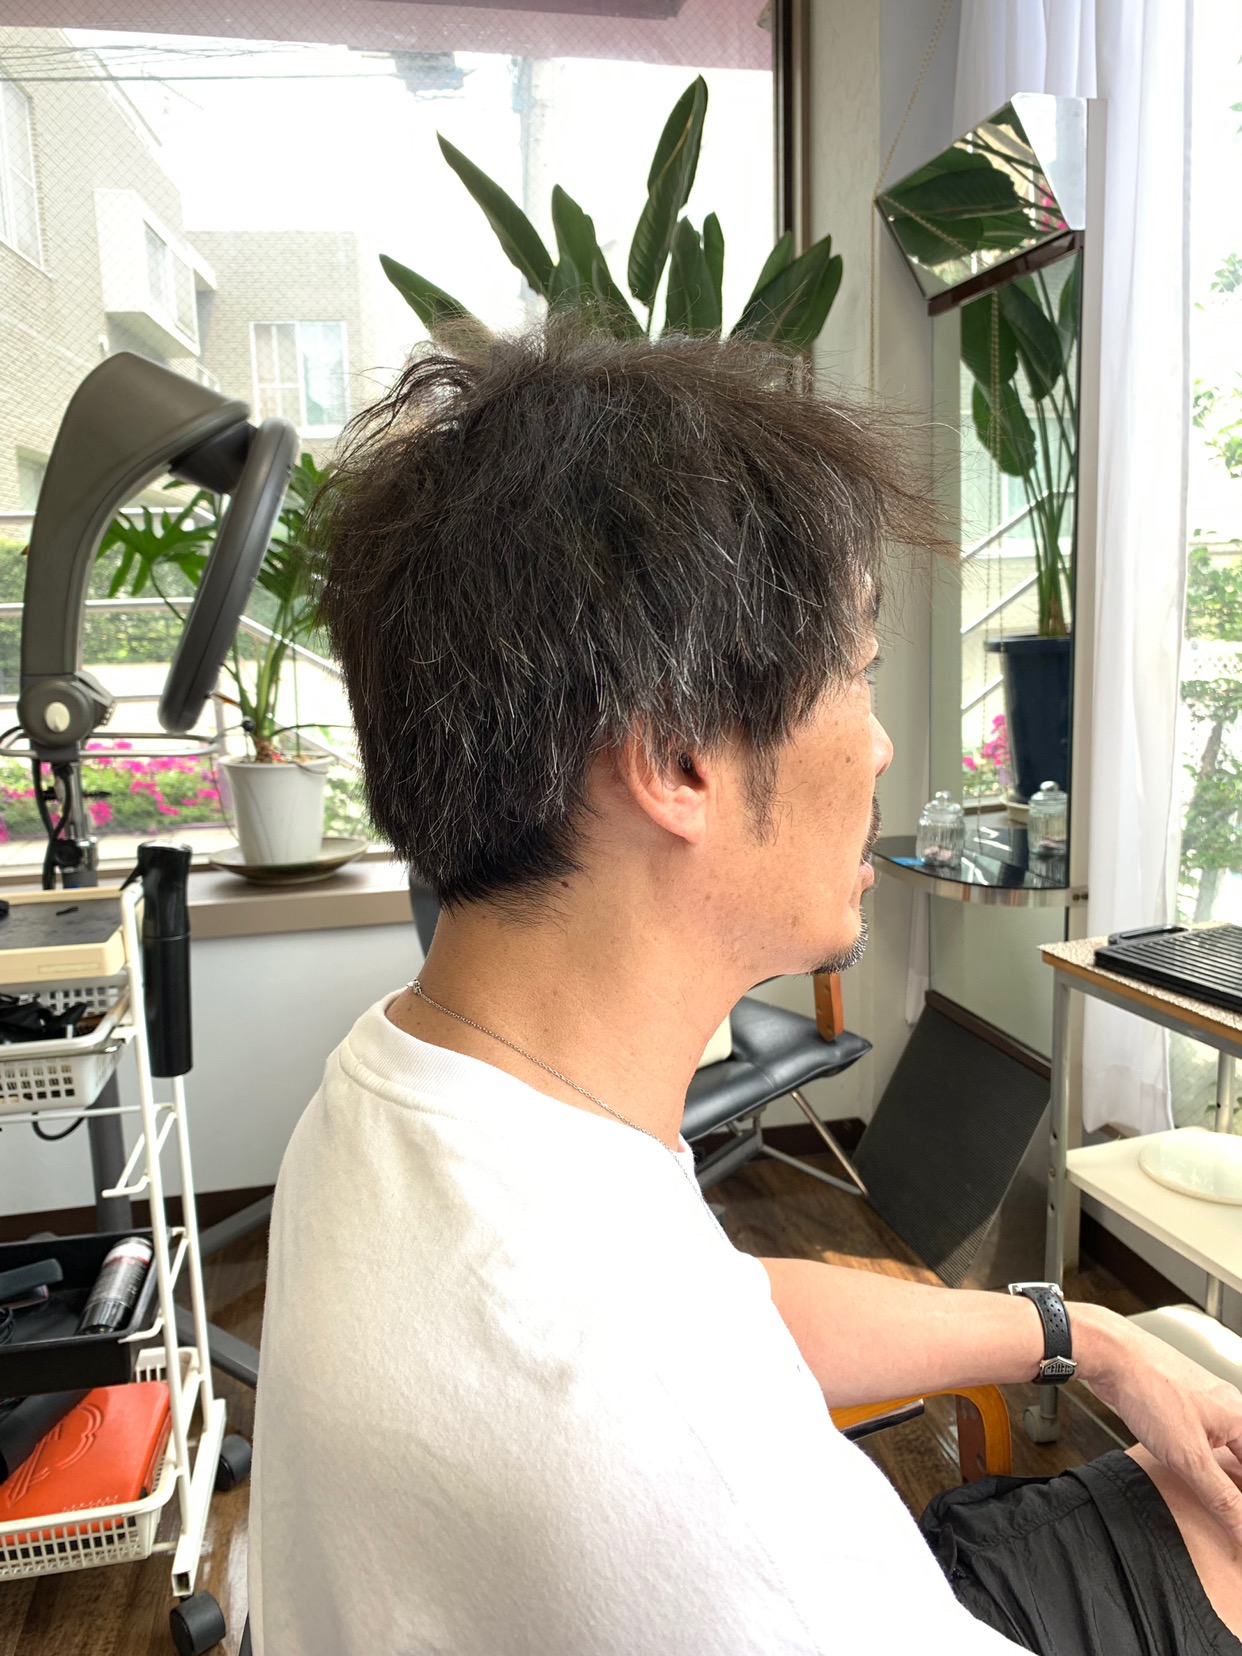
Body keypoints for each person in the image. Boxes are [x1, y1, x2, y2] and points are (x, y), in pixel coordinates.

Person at [248, 322, 1242, 1656]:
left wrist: (1082, 1336)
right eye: (860, 674)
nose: (879, 744)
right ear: (676, 757)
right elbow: (670, 1402)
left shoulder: (399, 1092)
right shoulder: (689, 1489)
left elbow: (719, 1310)